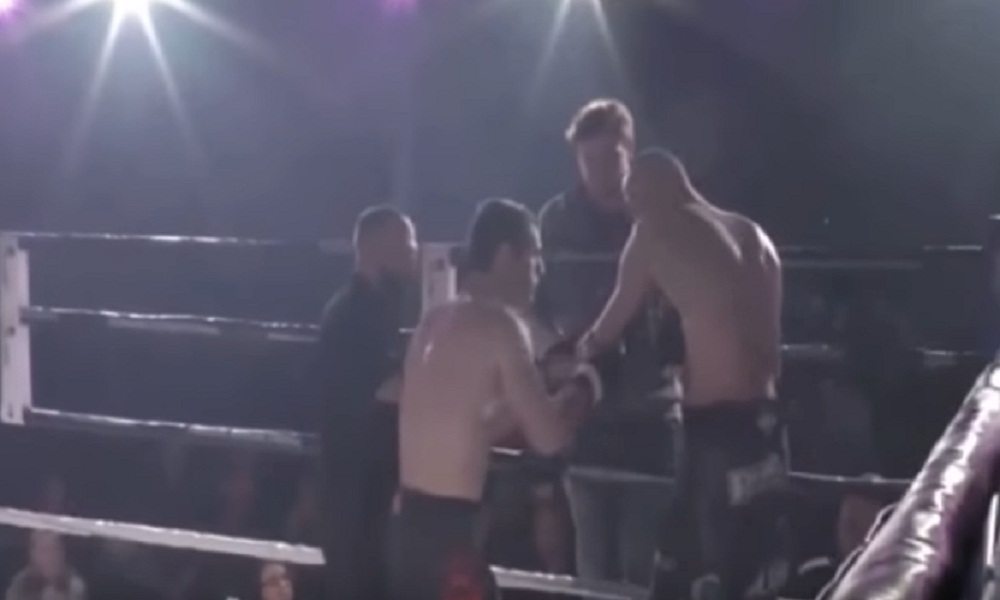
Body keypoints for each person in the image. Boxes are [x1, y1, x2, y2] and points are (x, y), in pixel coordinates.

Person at [579, 149, 789, 600]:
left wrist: (576, 358)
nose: (631, 209)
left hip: (715, 426)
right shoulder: (754, 234)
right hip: (768, 426)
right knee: (756, 572)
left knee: (683, 573)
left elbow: (612, 322)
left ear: (649, 188)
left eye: (633, 196)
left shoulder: (652, 229)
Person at [389, 199, 596, 600]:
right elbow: (550, 437)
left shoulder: (433, 321)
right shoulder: (502, 326)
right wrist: (587, 383)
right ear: (505, 256)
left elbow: (469, 424)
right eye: (534, 257)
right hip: (450, 538)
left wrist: (537, 383)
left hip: (406, 527)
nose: (540, 272)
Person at [537, 98, 674, 585]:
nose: (599, 171)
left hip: (650, 405)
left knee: (639, 561)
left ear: (629, 153)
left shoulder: (658, 217)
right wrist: (558, 362)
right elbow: (538, 308)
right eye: (588, 159)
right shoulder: (556, 221)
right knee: (591, 560)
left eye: (610, 158)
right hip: (585, 409)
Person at [315, 206, 418, 600]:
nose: (413, 251)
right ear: (376, 248)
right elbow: (382, 387)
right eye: (405, 242)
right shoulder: (353, 313)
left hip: (366, 484)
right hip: (355, 489)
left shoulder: (377, 308)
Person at [5, 531, 86, 600]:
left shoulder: (74, 584)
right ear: (33, 554)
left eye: (54, 549)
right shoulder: (20, 584)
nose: (49, 556)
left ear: (62, 553)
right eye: (44, 550)